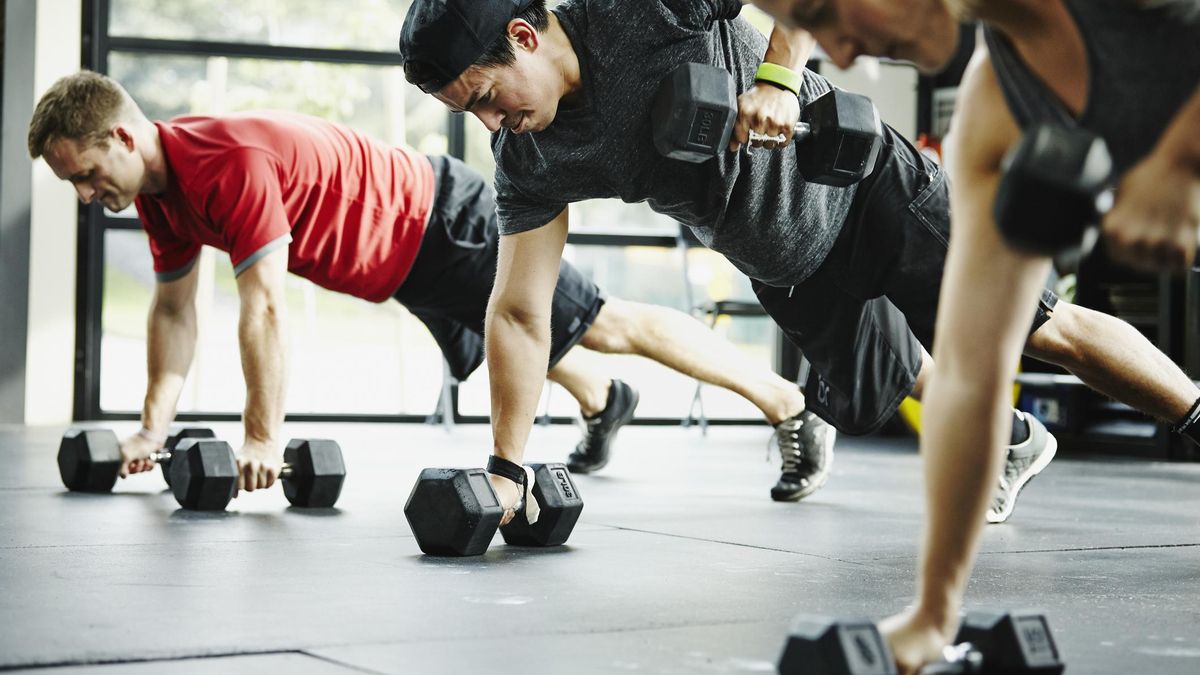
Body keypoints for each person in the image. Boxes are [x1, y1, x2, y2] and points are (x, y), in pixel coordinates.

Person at [397, 0, 1199, 530]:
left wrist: (779, 77)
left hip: (868, 194)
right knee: (867, 396)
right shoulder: (532, 157)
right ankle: (1012, 438)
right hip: (785, 263)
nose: (493, 121)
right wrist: (506, 468)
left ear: (525, 37)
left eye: (487, 97)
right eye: (472, 114)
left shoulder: (635, 8)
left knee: (1037, 332)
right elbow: (517, 310)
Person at [28, 70, 818, 497]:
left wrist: (263, 435)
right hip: (404, 265)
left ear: (124, 136)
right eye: (77, 186)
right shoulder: (159, 196)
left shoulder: (226, 165)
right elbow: (172, 310)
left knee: (601, 321)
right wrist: (149, 429)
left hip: (441, 220)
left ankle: (788, 405)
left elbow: (263, 306)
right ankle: (604, 398)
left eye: (90, 175)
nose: (90, 195)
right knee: (542, 342)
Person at [743, 0, 1200, 672]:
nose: (840, 57)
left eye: (825, 12)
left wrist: (1182, 156)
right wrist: (933, 612)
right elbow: (968, 370)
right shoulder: (995, 114)